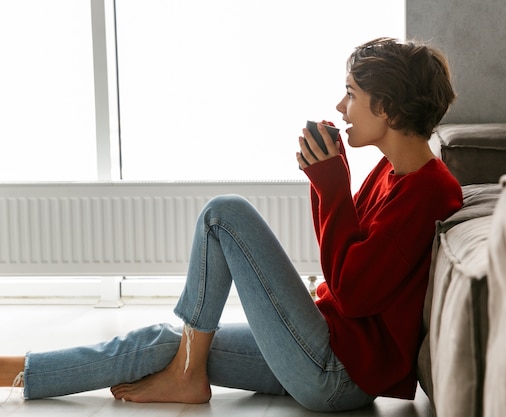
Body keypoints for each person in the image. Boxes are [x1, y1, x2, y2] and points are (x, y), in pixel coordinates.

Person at [0, 37, 462, 412]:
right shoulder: (392, 171)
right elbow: (349, 256)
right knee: (171, 340)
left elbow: (354, 292)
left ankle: (187, 375)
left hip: (339, 373)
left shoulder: (427, 191)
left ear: (385, 108)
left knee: (225, 213)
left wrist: (331, 186)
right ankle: (14, 370)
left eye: (352, 93)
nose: (341, 107)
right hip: (330, 348)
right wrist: (327, 184)